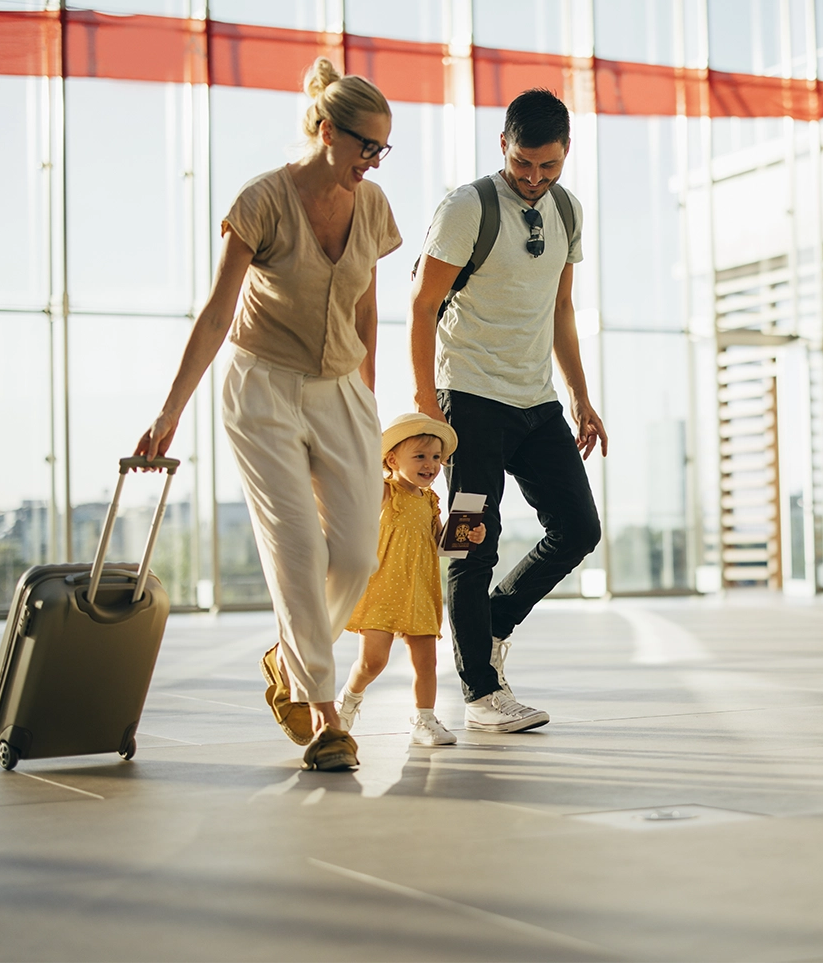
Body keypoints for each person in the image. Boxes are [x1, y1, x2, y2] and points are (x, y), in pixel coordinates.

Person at [135, 57, 401, 772]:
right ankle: (321, 716)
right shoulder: (262, 200)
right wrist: (170, 411)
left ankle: (290, 659)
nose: (373, 162)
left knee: (354, 554)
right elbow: (220, 310)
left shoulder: (372, 207)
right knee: (297, 549)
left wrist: (372, 402)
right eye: (365, 146)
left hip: (342, 389)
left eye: (383, 149)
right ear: (326, 130)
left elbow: (368, 309)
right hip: (263, 389)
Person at [408, 88, 607, 733]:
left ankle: (491, 624)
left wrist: (580, 395)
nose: (533, 178)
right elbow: (420, 307)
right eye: (523, 163)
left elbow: (562, 308)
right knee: (473, 542)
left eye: (548, 166)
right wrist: (423, 402)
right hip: (467, 396)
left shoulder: (568, 211)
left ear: (566, 155)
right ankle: (480, 693)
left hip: (536, 398)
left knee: (578, 529)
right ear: (503, 147)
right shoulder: (467, 208)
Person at [335, 413, 485, 746]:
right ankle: (349, 698)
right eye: (419, 456)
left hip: (419, 589)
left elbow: (438, 541)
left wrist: (468, 534)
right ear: (391, 459)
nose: (430, 465)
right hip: (383, 588)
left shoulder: (430, 500)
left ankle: (424, 719)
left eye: (435, 457)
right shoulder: (385, 492)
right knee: (373, 660)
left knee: (427, 661)